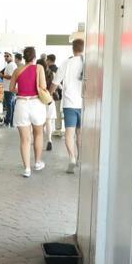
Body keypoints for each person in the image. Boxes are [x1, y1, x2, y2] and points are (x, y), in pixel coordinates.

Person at [10, 46, 48, 177]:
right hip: (36, 103)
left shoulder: (17, 70)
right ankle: (37, 162)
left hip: (21, 104)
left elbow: (11, 88)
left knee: (24, 139)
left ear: (24, 57)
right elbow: (43, 86)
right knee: (38, 134)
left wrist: (21, 91)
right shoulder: (39, 68)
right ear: (34, 57)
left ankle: (27, 169)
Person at [55, 39, 85, 173]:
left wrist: (48, 93)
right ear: (83, 48)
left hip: (69, 104)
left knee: (69, 133)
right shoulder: (88, 63)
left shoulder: (66, 63)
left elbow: (55, 82)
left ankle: (72, 158)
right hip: (84, 104)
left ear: (73, 48)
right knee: (80, 133)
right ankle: (80, 158)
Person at [38, 58, 58, 151]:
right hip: (50, 100)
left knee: (39, 122)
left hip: (39, 100)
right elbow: (56, 86)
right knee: (48, 121)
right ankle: (49, 140)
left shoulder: (38, 75)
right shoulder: (52, 74)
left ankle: (38, 140)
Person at [46, 54, 63, 133]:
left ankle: (47, 128)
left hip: (48, 94)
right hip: (58, 94)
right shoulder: (59, 69)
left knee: (47, 112)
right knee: (57, 111)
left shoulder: (47, 70)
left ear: (49, 60)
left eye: (47, 60)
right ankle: (58, 128)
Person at [0, 52, 18, 128]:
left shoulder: (11, 65)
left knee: (9, 106)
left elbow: (11, 76)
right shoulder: (10, 65)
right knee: (11, 105)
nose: (6, 57)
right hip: (9, 88)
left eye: (7, 56)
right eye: (5, 56)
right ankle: (11, 121)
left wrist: (2, 75)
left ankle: (8, 121)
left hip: (9, 89)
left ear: (11, 57)